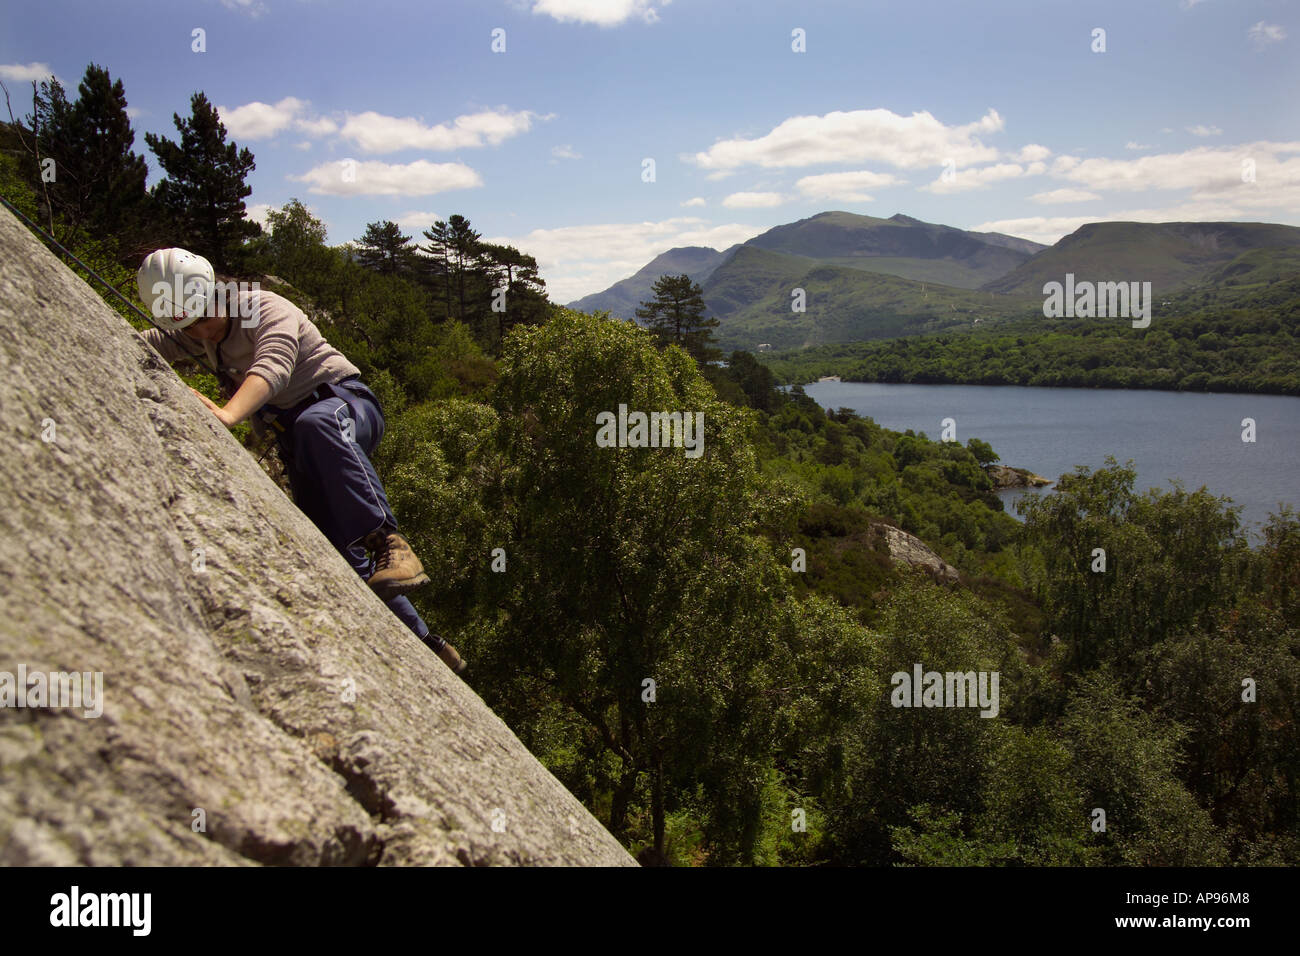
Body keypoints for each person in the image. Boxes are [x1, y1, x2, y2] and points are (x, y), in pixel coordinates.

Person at [136, 247, 467, 675]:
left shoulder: (262, 307)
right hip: (301, 442)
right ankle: (427, 644)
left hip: (343, 405)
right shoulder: (190, 332)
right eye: (187, 325)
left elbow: (273, 365)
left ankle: (391, 541)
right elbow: (143, 344)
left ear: (215, 291)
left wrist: (228, 416)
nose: (202, 332)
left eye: (203, 317)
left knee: (316, 424)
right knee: (337, 550)